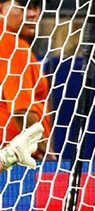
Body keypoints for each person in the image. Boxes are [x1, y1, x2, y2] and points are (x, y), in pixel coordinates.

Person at [0, 0, 54, 160]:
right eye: (24, 6)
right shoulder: (13, 45)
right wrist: (47, 152)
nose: (32, 14)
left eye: (36, 6)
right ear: (1, 7)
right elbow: (21, 110)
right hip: (12, 162)